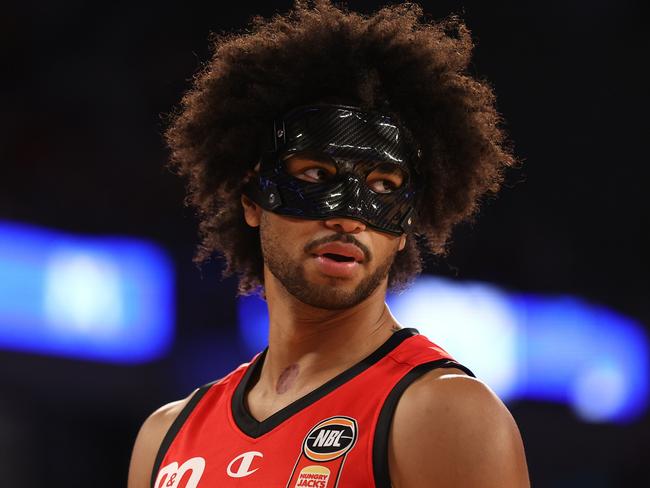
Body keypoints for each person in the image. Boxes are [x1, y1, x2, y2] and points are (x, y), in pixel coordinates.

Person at [128, 1, 530, 487]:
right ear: (253, 199)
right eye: (316, 175)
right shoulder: (167, 438)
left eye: (384, 187)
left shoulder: (442, 412)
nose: (349, 216)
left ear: (403, 228)